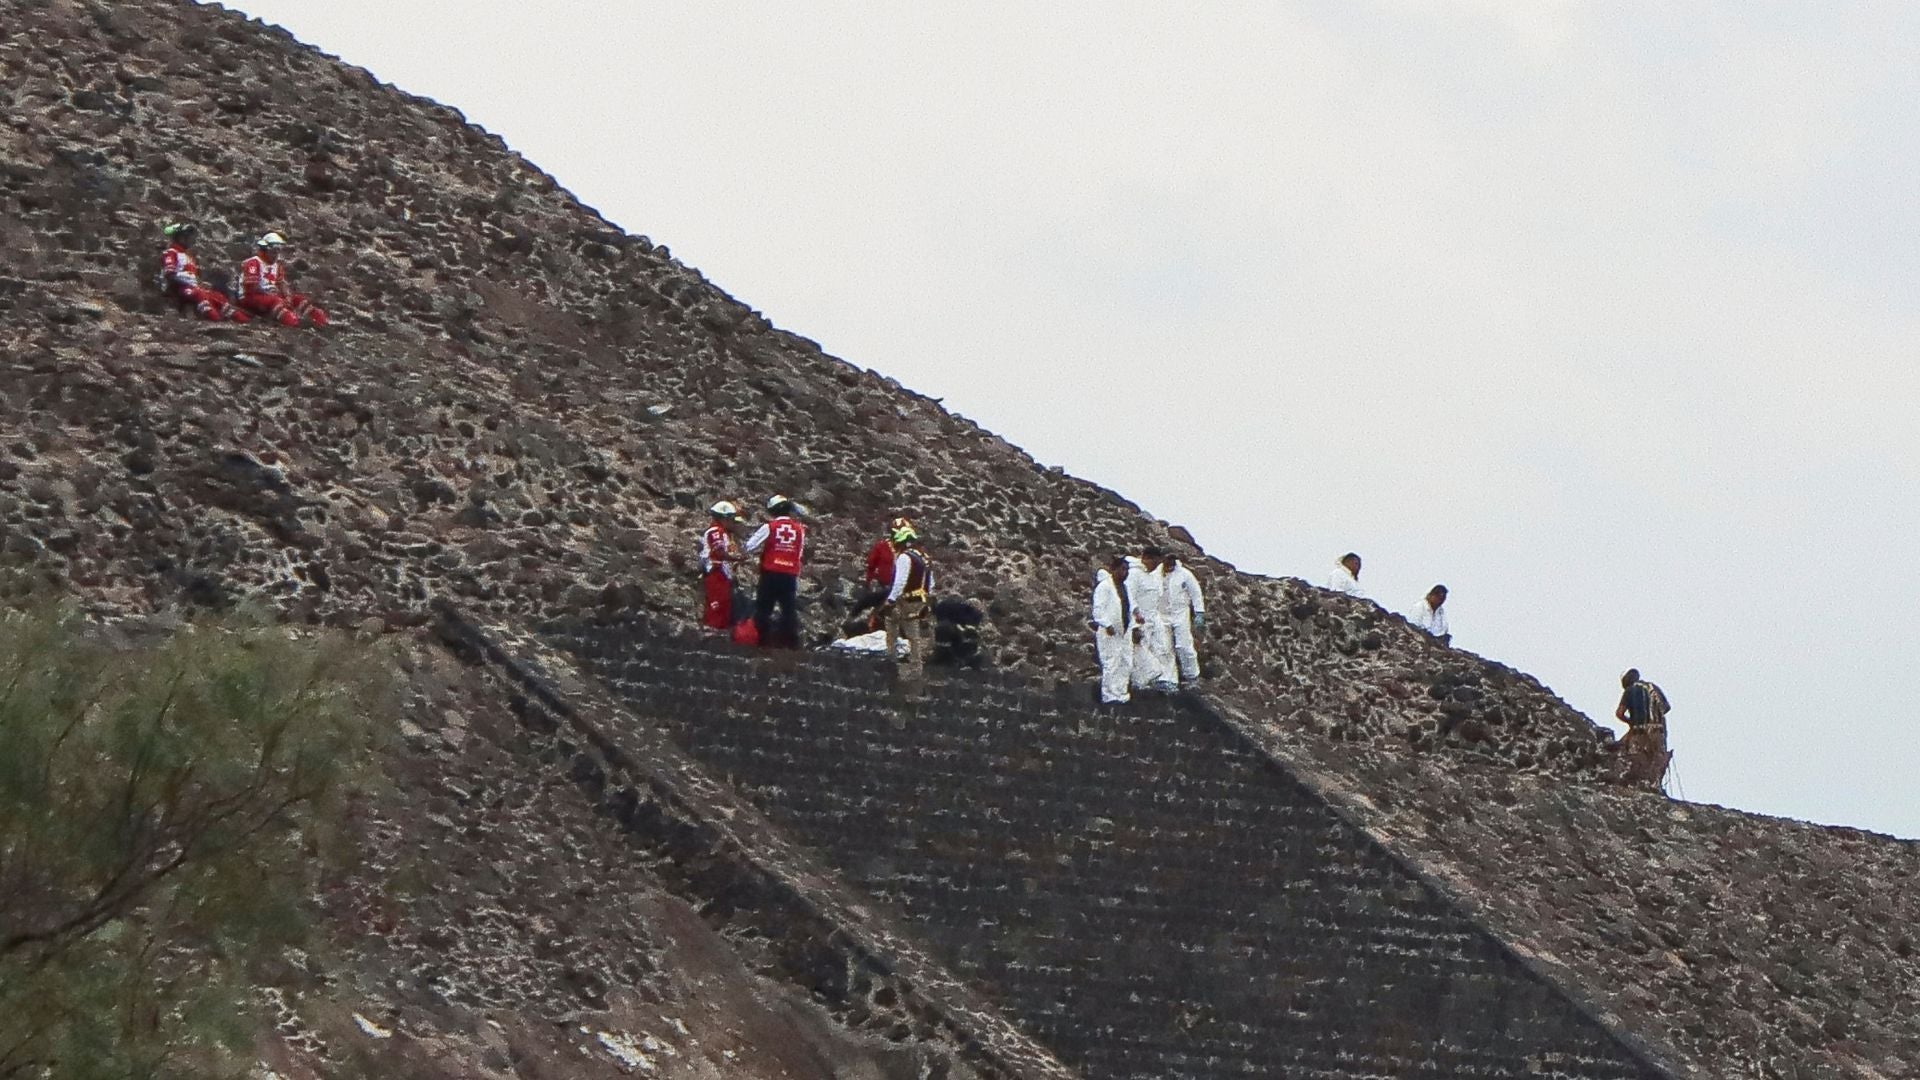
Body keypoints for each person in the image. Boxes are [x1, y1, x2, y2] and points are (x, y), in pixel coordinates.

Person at [743, 495, 807, 648]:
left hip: (770, 572)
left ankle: (762, 641)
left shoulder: (769, 527)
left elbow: (749, 546)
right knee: (789, 610)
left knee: (764, 609)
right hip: (790, 574)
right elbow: (799, 554)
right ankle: (791, 644)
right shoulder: (799, 530)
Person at [158, 222, 247, 323]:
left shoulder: (188, 256)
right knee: (200, 295)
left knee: (218, 297)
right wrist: (193, 281)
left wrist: (200, 282)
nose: (190, 240)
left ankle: (243, 321)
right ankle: (215, 320)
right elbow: (170, 274)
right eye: (187, 237)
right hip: (178, 288)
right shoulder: (171, 252)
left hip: (193, 287)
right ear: (180, 238)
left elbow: (193, 276)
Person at [239, 232, 330, 327]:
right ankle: (294, 323)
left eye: (277, 252)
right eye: (273, 252)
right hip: (251, 296)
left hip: (270, 296)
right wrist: (270, 294)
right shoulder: (253, 263)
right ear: (265, 250)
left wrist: (288, 297)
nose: (275, 255)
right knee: (276, 301)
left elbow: (281, 283)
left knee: (298, 299)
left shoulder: (277, 266)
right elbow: (251, 287)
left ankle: (320, 321)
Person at [879, 522, 934, 679]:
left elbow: (900, 582)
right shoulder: (924, 558)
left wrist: (890, 600)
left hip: (906, 600)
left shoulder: (905, 557)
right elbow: (931, 582)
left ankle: (896, 661)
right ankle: (913, 665)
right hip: (920, 600)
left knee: (896, 627)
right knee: (911, 632)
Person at [1126, 547, 1177, 693]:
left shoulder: (1150, 576)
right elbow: (1129, 597)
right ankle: (1139, 683)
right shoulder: (1134, 574)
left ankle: (1166, 680)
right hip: (1140, 619)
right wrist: (1135, 620)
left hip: (1153, 618)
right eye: (1154, 562)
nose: (1156, 566)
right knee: (1140, 650)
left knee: (1163, 648)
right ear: (1146, 558)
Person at [1088, 556, 1135, 704]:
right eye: (1122, 569)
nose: (1125, 572)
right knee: (1111, 663)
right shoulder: (1104, 587)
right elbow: (1098, 609)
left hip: (1124, 631)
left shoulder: (1125, 588)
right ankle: (1109, 695)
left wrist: (1135, 625)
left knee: (1125, 662)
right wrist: (1106, 624)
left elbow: (1130, 608)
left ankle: (1121, 693)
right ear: (1114, 569)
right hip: (1109, 631)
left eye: (1127, 570)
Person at [1614, 668, 1673, 786]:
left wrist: (1631, 722)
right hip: (1658, 732)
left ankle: (1637, 786)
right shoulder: (1653, 688)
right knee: (1656, 760)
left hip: (1639, 732)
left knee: (1636, 760)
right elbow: (1667, 707)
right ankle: (1655, 786)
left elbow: (1619, 713)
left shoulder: (1630, 691)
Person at [697, 501, 741, 631]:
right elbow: (719, 552)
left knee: (724, 604)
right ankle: (712, 630)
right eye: (731, 519)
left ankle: (719, 631)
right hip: (716, 571)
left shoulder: (723, 533)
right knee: (717, 603)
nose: (733, 523)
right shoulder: (716, 531)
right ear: (724, 518)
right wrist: (736, 558)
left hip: (722, 573)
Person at [1162, 553, 1207, 682]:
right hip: (1162, 614)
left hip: (1180, 613)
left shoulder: (1185, 574)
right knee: (1165, 647)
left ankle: (1191, 674)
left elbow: (1196, 593)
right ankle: (1169, 679)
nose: (1170, 563)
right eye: (1167, 559)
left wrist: (1199, 612)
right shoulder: (1156, 574)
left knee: (1184, 645)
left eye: (1172, 560)